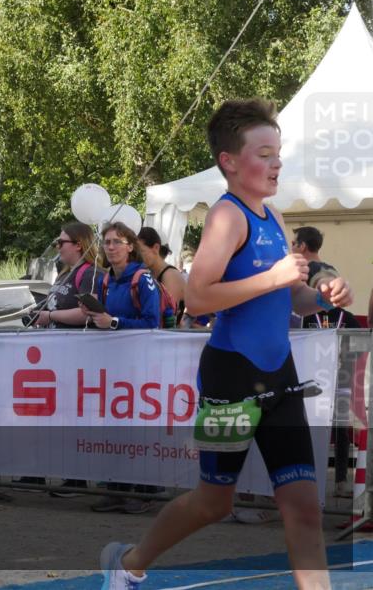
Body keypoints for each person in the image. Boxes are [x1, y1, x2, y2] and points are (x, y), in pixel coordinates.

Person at [101, 98, 354, 590]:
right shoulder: (226, 217)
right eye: (264, 153)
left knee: (302, 505)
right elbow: (196, 300)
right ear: (230, 162)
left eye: (278, 153)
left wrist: (320, 293)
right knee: (214, 502)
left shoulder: (273, 218)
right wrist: (274, 278)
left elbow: (289, 299)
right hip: (232, 378)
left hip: (278, 376)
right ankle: (129, 561)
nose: (276, 162)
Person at [84, 221, 162, 514]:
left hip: (141, 366)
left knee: (137, 428)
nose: (111, 247)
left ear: (131, 246)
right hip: (114, 365)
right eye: (107, 242)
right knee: (114, 427)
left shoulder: (142, 278)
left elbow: (152, 322)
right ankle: (116, 490)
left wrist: (114, 323)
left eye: (117, 241)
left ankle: (145, 493)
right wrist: (93, 314)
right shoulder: (106, 280)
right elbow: (106, 318)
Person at [31, 222, 101, 329]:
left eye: (61, 242)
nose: (57, 247)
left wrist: (50, 316)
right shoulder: (65, 273)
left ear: (78, 245)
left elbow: (89, 314)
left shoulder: (91, 274)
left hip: (74, 343)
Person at [136, 227, 183, 328]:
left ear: (156, 248)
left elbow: (167, 313)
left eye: (141, 251)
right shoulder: (148, 273)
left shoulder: (170, 275)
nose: (137, 257)